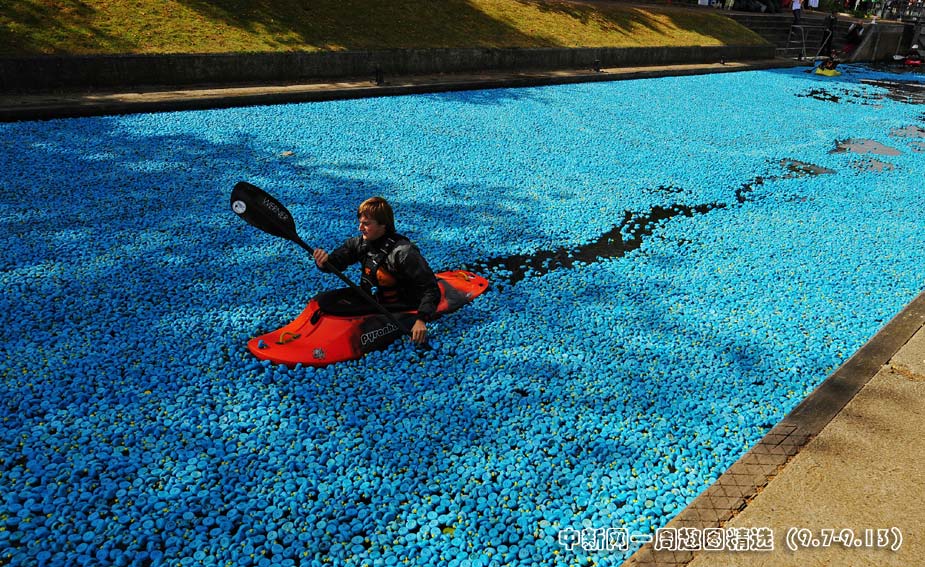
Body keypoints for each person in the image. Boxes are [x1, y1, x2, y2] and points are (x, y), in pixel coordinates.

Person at [311, 196, 439, 344]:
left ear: (383, 225)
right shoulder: (359, 243)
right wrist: (323, 262)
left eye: (366, 224)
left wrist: (421, 319)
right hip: (372, 297)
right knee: (325, 300)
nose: (360, 228)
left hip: (400, 303)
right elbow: (335, 263)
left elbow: (431, 288)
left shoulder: (403, 252)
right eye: (360, 223)